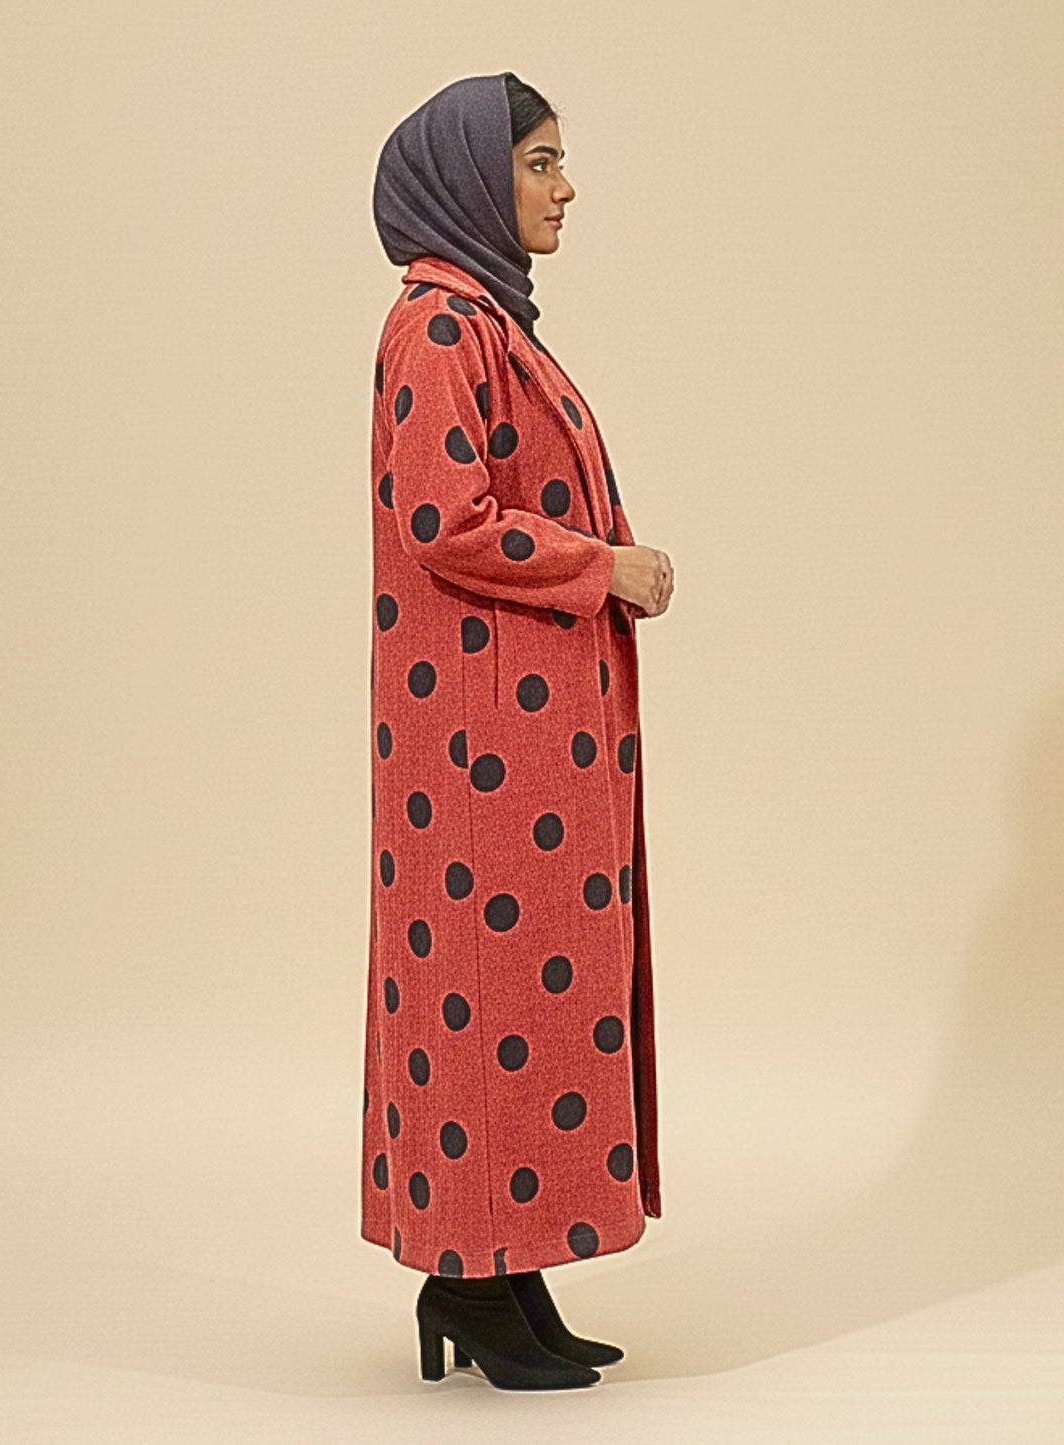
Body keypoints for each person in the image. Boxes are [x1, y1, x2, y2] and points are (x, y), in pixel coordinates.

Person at [362, 71, 675, 1391]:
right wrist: (603, 566)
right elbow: (444, 521)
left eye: (558, 161)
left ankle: (497, 1264)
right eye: (539, 161)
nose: (562, 187)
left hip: (528, 733)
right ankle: (468, 1273)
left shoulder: (491, 320)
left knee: (531, 987)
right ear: (470, 177)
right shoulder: (438, 327)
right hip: (483, 745)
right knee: (491, 990)